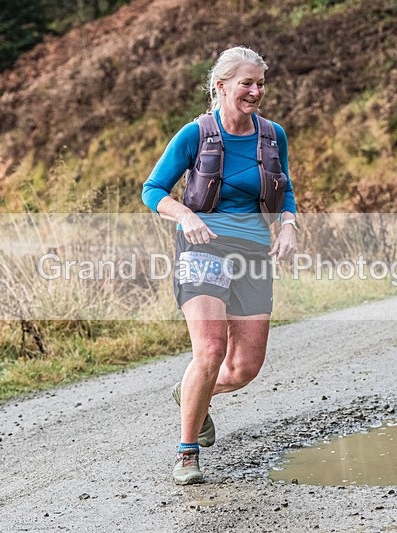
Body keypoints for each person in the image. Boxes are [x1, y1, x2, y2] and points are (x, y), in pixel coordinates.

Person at [141, 46, 298, 485]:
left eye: (260, 83)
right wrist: (186, 215)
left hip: (253, 254)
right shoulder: (195, 134)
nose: (255, 91)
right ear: (221, 86)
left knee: (244, 367)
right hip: (202, 248)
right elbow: (152, 190)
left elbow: (285, 191)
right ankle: (187, 452)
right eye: (246, 83)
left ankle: (192, 390)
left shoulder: (273, 135)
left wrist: (288, 226)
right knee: (209, 350)